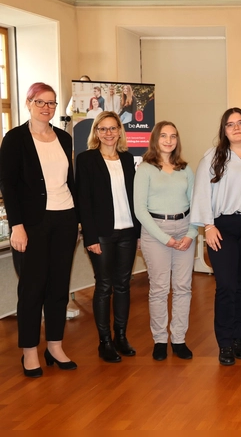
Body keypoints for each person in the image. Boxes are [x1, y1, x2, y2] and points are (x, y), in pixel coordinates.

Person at [0, 82, 79, 377]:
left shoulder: (63, 137)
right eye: (41, 102)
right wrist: (17, 226)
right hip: (32, 225)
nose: (47, 108)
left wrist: (78, 217)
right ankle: (29, 351)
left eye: (52, 103)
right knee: (32, 289)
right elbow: (8, 185)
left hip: (65, 220)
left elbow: (68, 179)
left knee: (59, 287)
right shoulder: (14, 139)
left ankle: (55, 345)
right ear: (29, 103)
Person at [190, 107, 241, 366]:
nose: (236, 128)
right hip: (221, 227)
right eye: (230, 124)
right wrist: (209, 226)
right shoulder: (213, 157)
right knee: (226, 286)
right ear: (224, 130)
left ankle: (239, 338)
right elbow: (202, 193)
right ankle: (224, 343)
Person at [76, 111, 141, 363]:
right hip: (101, 233)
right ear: (96, 132)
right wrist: (90, 236)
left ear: (120, 131)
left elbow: (133, 197)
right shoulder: (86, 160)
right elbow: (84, 200)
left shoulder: (126, 159)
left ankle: (120, 337)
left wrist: (137, 232)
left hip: (127, 231)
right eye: (103, 129)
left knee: (124, 285)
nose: (108, 133)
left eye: (113, 128)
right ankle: (104, 342)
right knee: (104, 286)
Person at [133, 121, 197, 361]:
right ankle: (160, 339)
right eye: (163, 136)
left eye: (173, 136)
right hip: (155, 230)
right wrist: (165, 238)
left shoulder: (185, 170)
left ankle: (178, 339)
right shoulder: (145, 169)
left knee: (183, 288)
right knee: (159, 289)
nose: (169, 140)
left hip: (184, 229)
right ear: (155, 139)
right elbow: (140, 210)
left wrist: (190, 234)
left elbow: (196, 205)